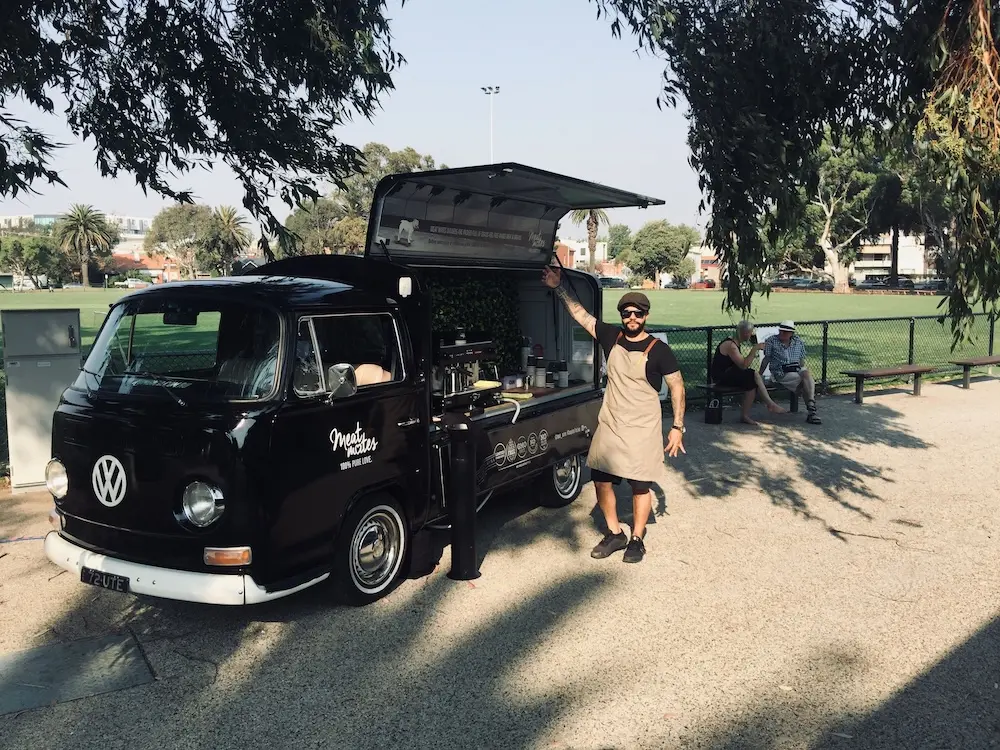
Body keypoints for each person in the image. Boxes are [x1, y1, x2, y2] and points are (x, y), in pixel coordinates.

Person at [542, 266, 686, 564]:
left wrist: (677, 427)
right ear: (622, 315)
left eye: (638, 313)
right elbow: (581, 315)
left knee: (639, 484)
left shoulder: (659, 350)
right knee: (601, 479)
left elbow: (677, 386)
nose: (632, 318)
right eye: (627, 313)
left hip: (643, 426)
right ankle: (614, 533)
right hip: (611, 423)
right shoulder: (611, 336)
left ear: (645, 315)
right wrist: (559, 288)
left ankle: (636, 538)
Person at [710, 320, 787, 425]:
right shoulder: (731, 345)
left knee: (751, 381)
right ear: (745, 333)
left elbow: (742, 366)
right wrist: (754, 349)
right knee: (753, 374)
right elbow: (744, 365)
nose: (752, 335)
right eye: (750, 332)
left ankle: (745, 416)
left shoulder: (735, 343)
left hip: (729, 374)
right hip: (721, 377)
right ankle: (770, 404)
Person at [760, 320, 822, 425]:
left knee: (806, 373)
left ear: (791, 334)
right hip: (781, 372)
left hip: (796, 369)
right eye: (781, 331)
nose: (782, 334)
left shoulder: (798, 341)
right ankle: (812, 411)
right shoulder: (771, 341)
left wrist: (800, 369)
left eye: (785, 332)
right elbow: (766, 359)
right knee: (804, 382)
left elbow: (802, 362)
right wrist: (760, 374)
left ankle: (811, 405)